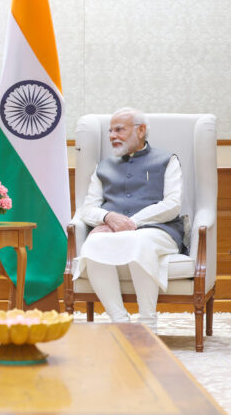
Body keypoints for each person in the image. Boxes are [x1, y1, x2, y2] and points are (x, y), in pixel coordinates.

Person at [73, 107, 184, 333]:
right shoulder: (103, 167)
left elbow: (172, 205)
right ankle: (120, 322)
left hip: (159, 230)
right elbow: (88, 208)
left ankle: (147, 324)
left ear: (141, 130)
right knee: (92, 243)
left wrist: (131, 223)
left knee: (139, 241)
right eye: (110, 131)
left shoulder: (167, 160)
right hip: (114, 231)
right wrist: (108, 217)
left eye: (119, 130)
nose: (112, 136)